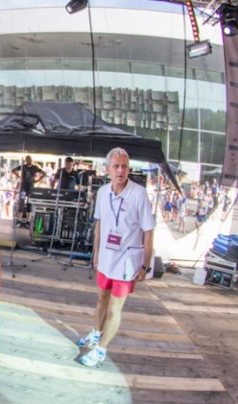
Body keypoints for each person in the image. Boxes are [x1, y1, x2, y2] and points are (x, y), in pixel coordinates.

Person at [77, 147, 154, 367]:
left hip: (127, 261)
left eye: (124, 166)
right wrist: (95, 252)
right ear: (108, 169)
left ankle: (101, 349)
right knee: (102, 297)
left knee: (115, 307)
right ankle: (96, 333)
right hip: (106, 257)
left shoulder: (138, 194)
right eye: (116, 166)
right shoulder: (103, 193)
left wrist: (145, 265)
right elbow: (99, 224)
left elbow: (149, 231)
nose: (120, 170)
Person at [11, 155, 45, 227]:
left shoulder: (34, 167)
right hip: (23, 187)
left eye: (29, 159)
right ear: (26, 160)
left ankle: (28, 221)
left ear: (31, 160)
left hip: (30, 188)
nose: (28, 161)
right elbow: (13, 170)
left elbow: (44, 173)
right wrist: (19, 176)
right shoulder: (23, 166)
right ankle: (19, 220)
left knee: (29, 204)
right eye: (27, 159)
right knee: (21, 204)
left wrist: (37, 180)